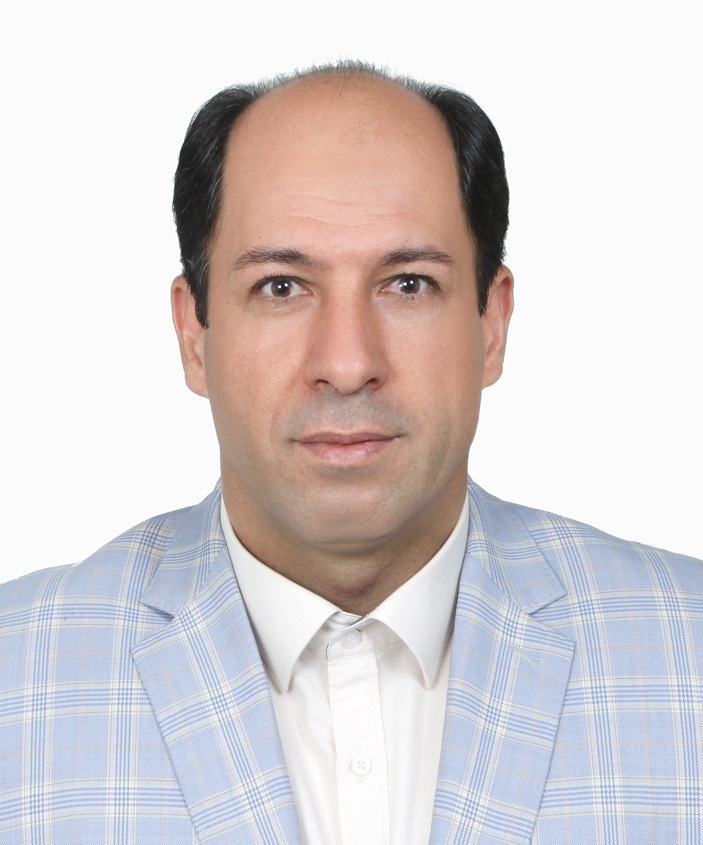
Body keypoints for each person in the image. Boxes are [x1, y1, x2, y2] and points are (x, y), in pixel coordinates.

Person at [1, 62, 701, 845]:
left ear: (490, 324)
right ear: (194, 335)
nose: (345, 362)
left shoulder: (687, 654)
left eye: (407, 284)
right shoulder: (16, 674)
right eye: (280, 286)